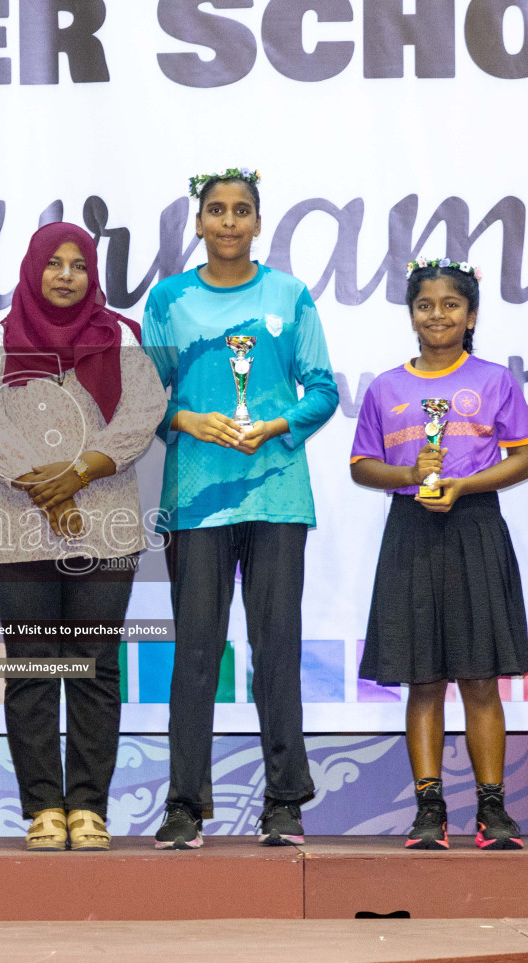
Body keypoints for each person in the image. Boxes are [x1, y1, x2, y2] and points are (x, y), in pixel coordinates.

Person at [144, 167, 338, 850]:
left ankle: (285, 802)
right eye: (216, 210)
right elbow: (146, 399)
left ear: (259, 223)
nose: (228, 221)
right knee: (196, 653)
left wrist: (278, 424)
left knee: (276, 649)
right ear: (197, 223)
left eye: (242, 210)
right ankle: (184, 806)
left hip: (278, 495)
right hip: (196, 502)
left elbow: (321, 389)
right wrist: (189, 421)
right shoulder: (169, 301)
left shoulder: (289, 295)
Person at [0, 222, 166, 852]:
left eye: (79, 265)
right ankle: (42, 808)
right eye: (54, 263)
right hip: (20, 528)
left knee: (95, 669)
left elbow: (142, 414)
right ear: (32, 269)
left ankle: (87, 808)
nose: (66, 275)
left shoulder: (121, 339)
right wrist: (47, 494)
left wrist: (76, 477)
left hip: (104, 528)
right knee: (32, 669)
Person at [350, 257, 528, 851]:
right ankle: (429, 810)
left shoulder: (494, 380)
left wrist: (463, 485)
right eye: (426, 305)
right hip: (410, 530)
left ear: (471, 314)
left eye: (451, 305)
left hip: (475, 526)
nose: (438, 315)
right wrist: (408, 474)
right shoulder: (386, 386)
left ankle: (492, 809)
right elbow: (361, 466)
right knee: (423, 680)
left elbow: (525, 459)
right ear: (411, 315)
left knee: (480, 679)